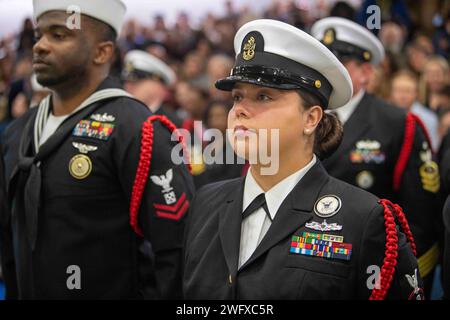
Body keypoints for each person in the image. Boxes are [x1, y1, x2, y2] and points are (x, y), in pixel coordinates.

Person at [183, 19, 422, 300]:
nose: (240, 110)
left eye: (263, 96)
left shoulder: (364, 219)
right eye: (237, 97)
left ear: (310, 119)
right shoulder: (206, 203)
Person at [0, 0, 194, 299]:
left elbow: (177, 253)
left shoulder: (138, 129)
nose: (40, 46)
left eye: (59, 35)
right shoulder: (17, 132)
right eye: (40, 35)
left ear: (102, 52)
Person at [311, 17, 441, 294]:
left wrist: (406, 280)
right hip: (306, 268)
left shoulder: (398, 124)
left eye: (339, 66)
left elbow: (420, 216)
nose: (327, 75)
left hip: (369, 271)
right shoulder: (303, 115)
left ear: (366, 72)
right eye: (322, 66)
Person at [122, 50, 182, 127]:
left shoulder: (173, 125)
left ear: (156, 86)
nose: (127, 87)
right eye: (126, 82)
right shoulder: (120, 116)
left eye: (136, 83)